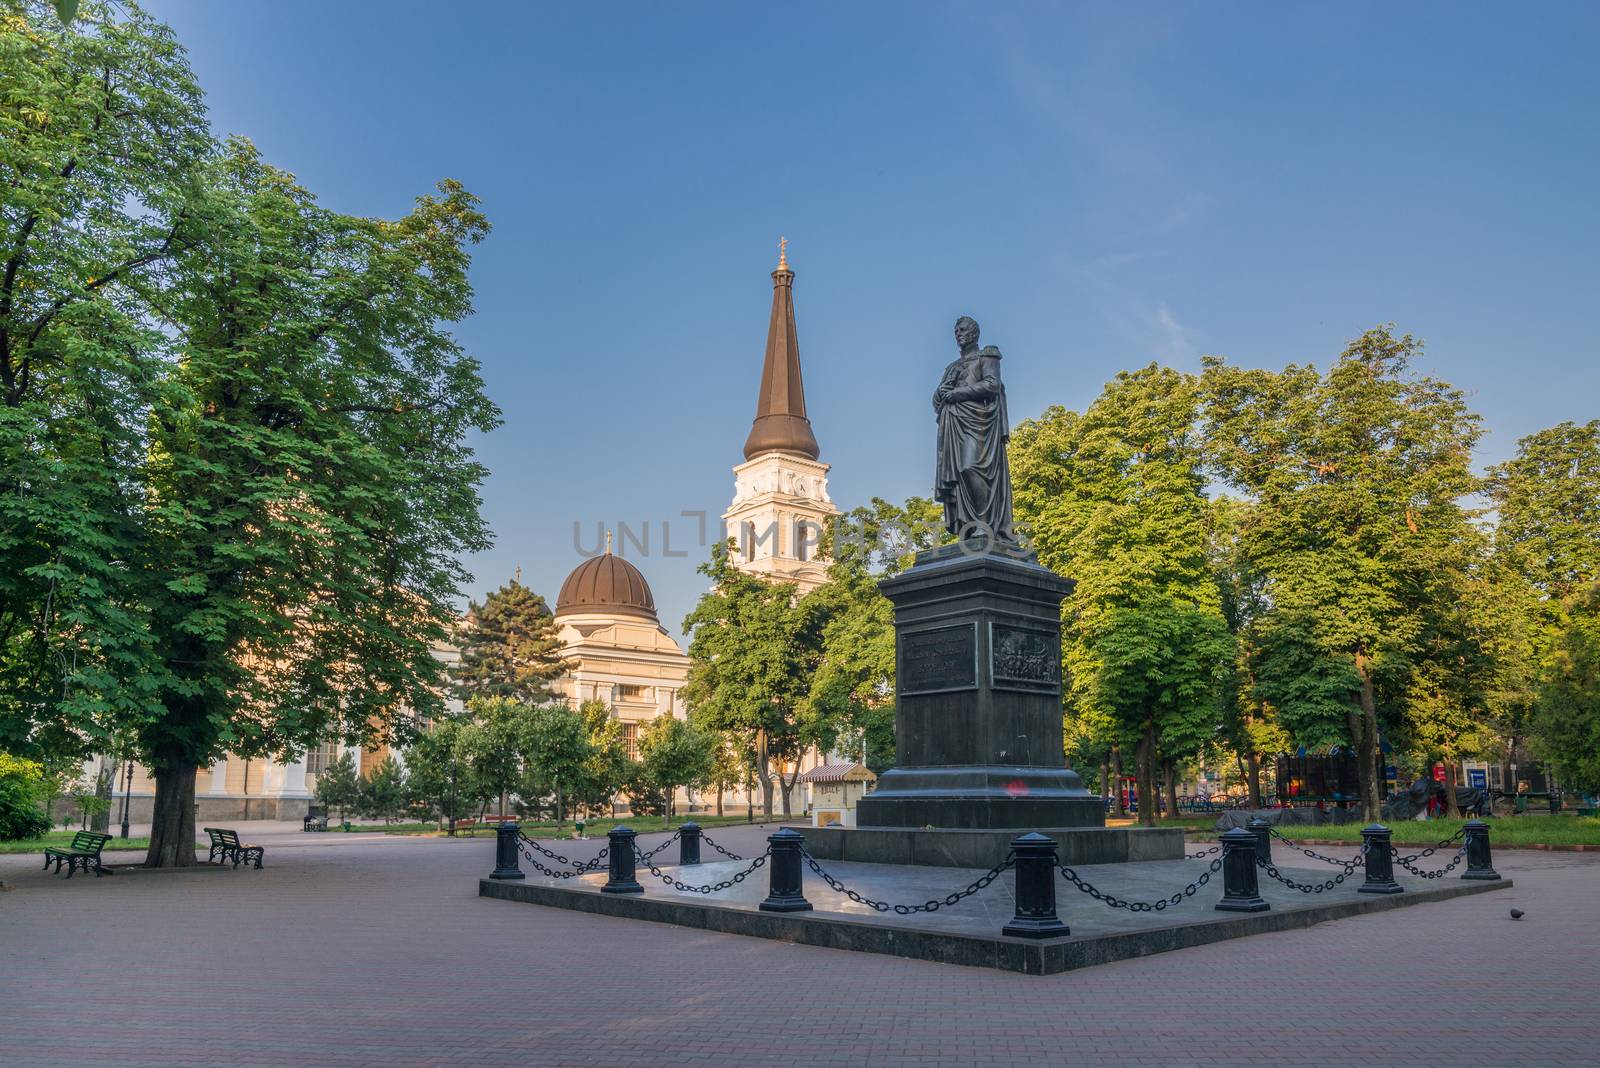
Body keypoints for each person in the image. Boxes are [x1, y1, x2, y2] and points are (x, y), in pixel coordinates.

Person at [933, 316, 1014, 542]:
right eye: (956, 330)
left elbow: (992, 384)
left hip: (979, 422)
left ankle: (984, 525)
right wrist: (940, 394)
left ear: (974, 333)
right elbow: (937, 399)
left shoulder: (986, 355)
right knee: (958, 475)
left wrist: (957, 394)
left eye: (963, 329)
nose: (958, 333)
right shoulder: (951, 367)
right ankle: (969, 527)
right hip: (953, 424)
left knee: (971, 467)